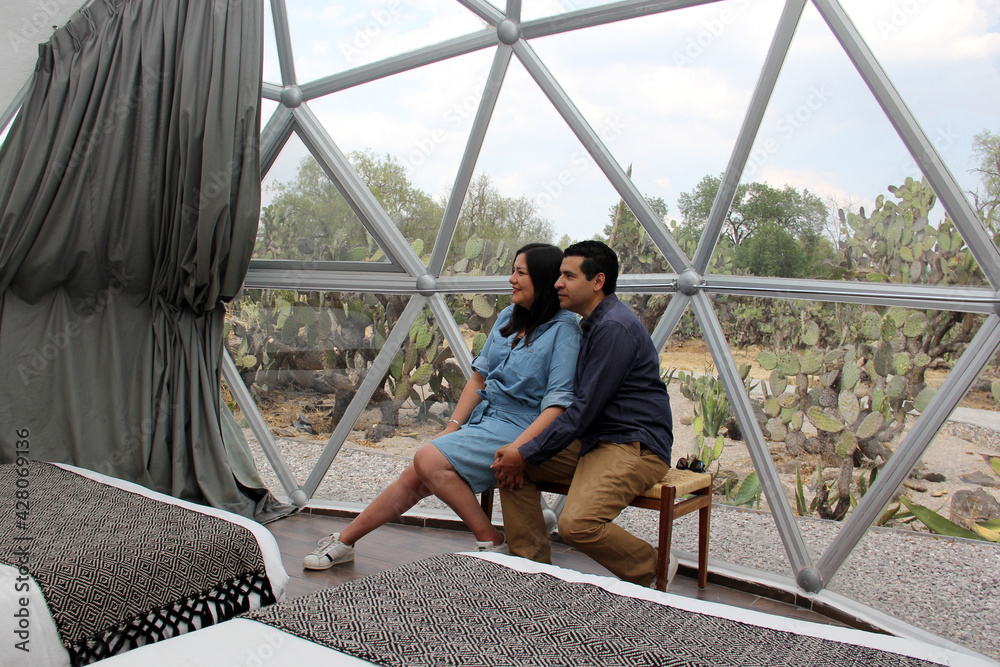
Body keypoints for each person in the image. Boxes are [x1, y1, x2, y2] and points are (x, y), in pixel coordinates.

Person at [304, 243, 581, 569]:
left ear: (544, 278)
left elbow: (557, 405)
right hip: (486, 420)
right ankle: (346, 541)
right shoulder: (508, 316)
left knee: (426, 459)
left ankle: (489, 540)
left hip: (522, 426)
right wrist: (452, 427)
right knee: (417, 474)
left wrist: (519, 449)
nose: (511, 279)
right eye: (513, 271)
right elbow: (479, 380)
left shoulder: (565, 331)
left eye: (520, 273)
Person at [491, 239, 674, 588]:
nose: (558, 283)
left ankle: (652, 566)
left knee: (577, 524)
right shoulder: (591, 323)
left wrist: (527, 449)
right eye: (559, 275)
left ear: (597, 281)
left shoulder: (613, 328)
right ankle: (533, 570)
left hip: (633, 446)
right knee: (507, 463)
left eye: (568, 276)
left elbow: (583, 410)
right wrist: (519, 453)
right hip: (596, 440)